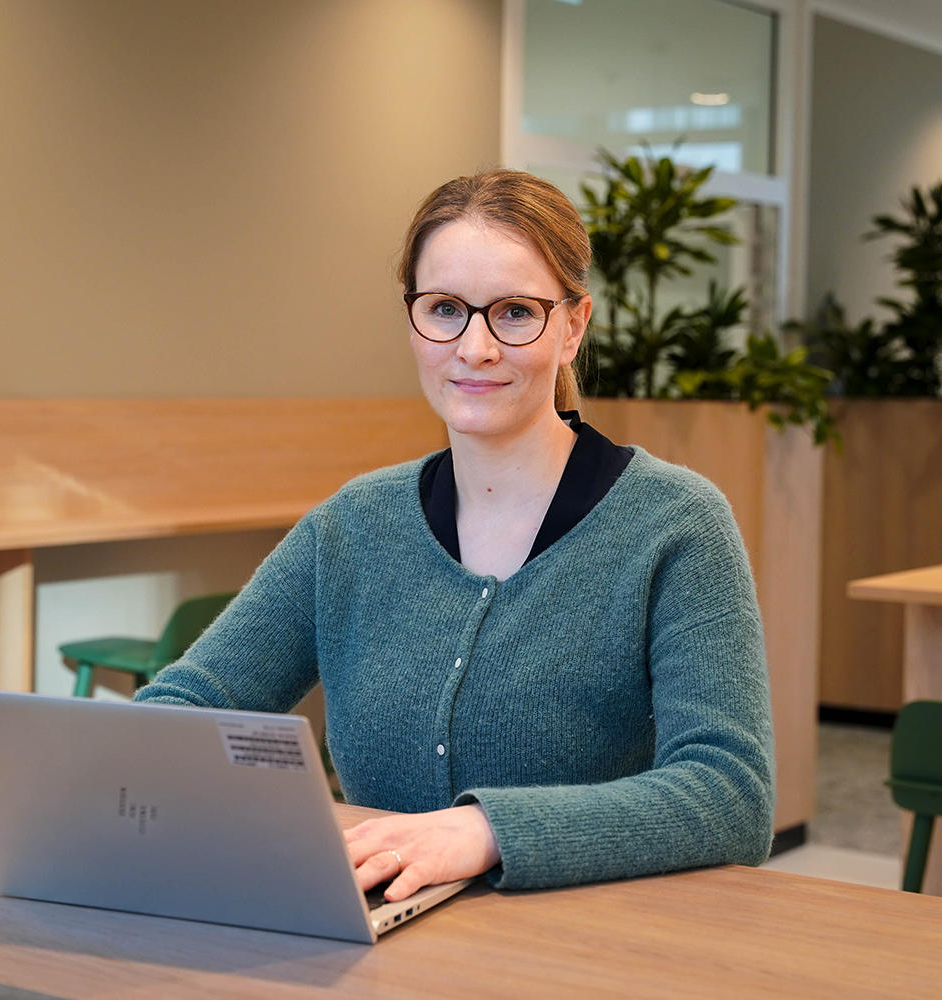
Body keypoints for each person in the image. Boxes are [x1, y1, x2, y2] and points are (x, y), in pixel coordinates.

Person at [136, 169, 774, 902]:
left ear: (572, 326)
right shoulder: (353, 525)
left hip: (584, 954)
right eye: (444, 309)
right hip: (374, 940)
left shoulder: (677, 524)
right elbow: (184, 711)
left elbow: (731, 795)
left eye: (513, 313)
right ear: (412, 319)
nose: (473, 347)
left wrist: (485, 831)